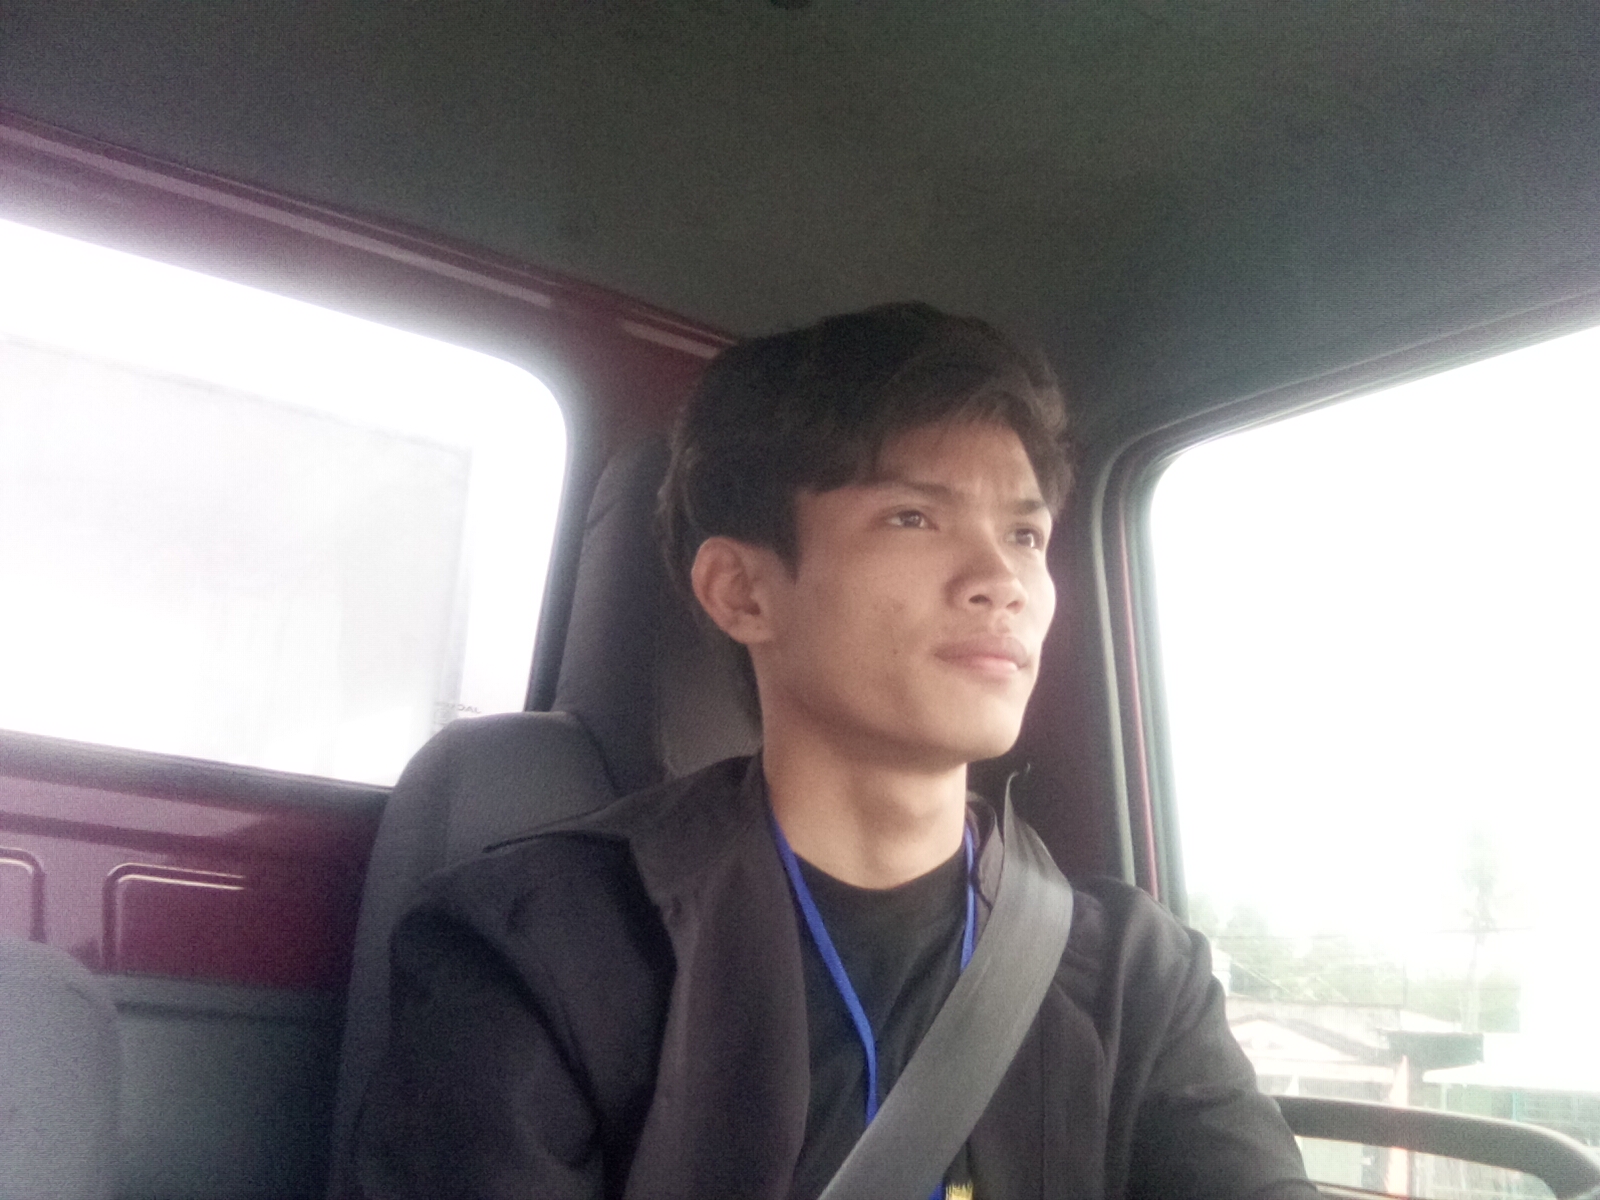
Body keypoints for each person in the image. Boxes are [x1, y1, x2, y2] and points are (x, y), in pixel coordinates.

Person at [352, 303, 1318, 1199]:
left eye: (1026, 534)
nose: (1003, 579)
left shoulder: (1135, 974)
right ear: (742, 592)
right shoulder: (542, 946)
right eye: (914, 517)